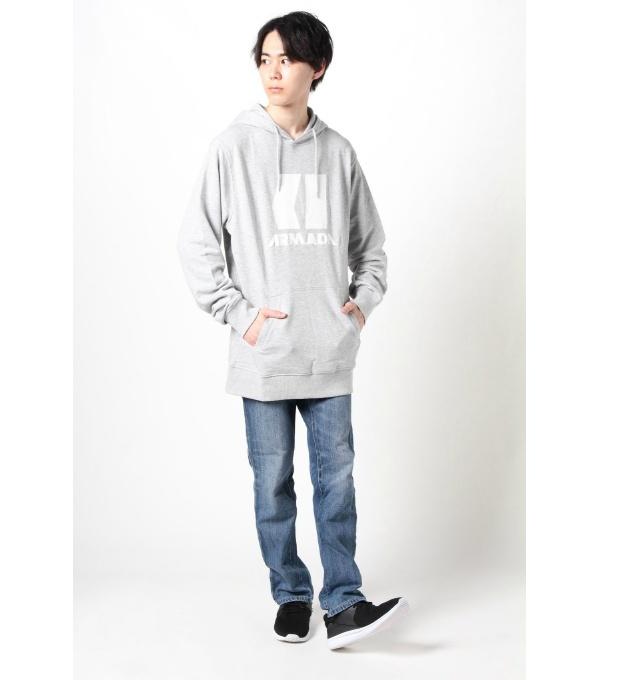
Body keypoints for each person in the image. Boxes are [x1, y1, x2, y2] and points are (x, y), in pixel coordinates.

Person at [176, 11, 408, 650]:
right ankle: (291, 594)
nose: (273, 71)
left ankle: (344, 603)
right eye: (265, 59)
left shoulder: (339, 153)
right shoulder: (233, 147)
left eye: (286, 59)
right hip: (266, 356)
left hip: (328, 352)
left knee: (337, 484)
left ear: (317, 68)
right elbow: (196, 242)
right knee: (273, 486)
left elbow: (372, 247)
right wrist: (240, 315)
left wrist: (359, 305)